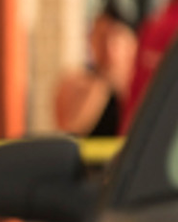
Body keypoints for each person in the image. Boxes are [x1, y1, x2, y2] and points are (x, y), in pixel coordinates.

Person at [53, 9, 136, 137]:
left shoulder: (142, 85)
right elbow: (70, 128)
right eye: (101, 37)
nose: (107, 47)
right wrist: (102, 86)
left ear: (131, 44)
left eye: (114, 38)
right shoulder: (76, 84)